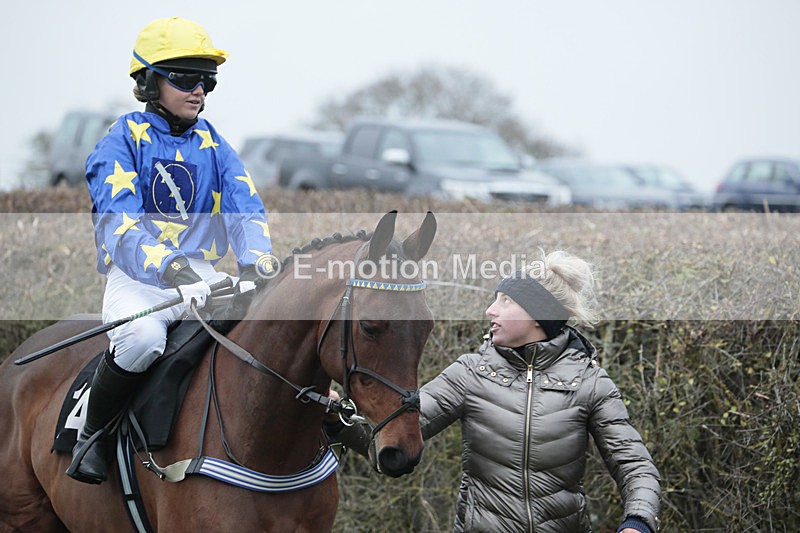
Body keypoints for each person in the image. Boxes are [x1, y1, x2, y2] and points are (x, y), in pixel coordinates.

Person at [67, 17, 273, 485]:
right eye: (184, 78)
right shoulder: (118, 142)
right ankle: (92, 437)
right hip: (139, 280)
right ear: (149, 82)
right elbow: (119, 227)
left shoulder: (215, 144)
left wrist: (258, 262)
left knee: (272, 329)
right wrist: (170, 265)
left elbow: (246, 208)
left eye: (207, 80)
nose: (198, 90)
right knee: (141, 340)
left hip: (202, 275)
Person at [329, 250, 660, 532]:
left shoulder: (589, 382)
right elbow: (392, 437)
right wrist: (336, 420)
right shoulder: (471, 372)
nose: (490, 310)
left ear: (538, 316)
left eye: (506, 302)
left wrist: (638, 521)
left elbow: (635, 466)